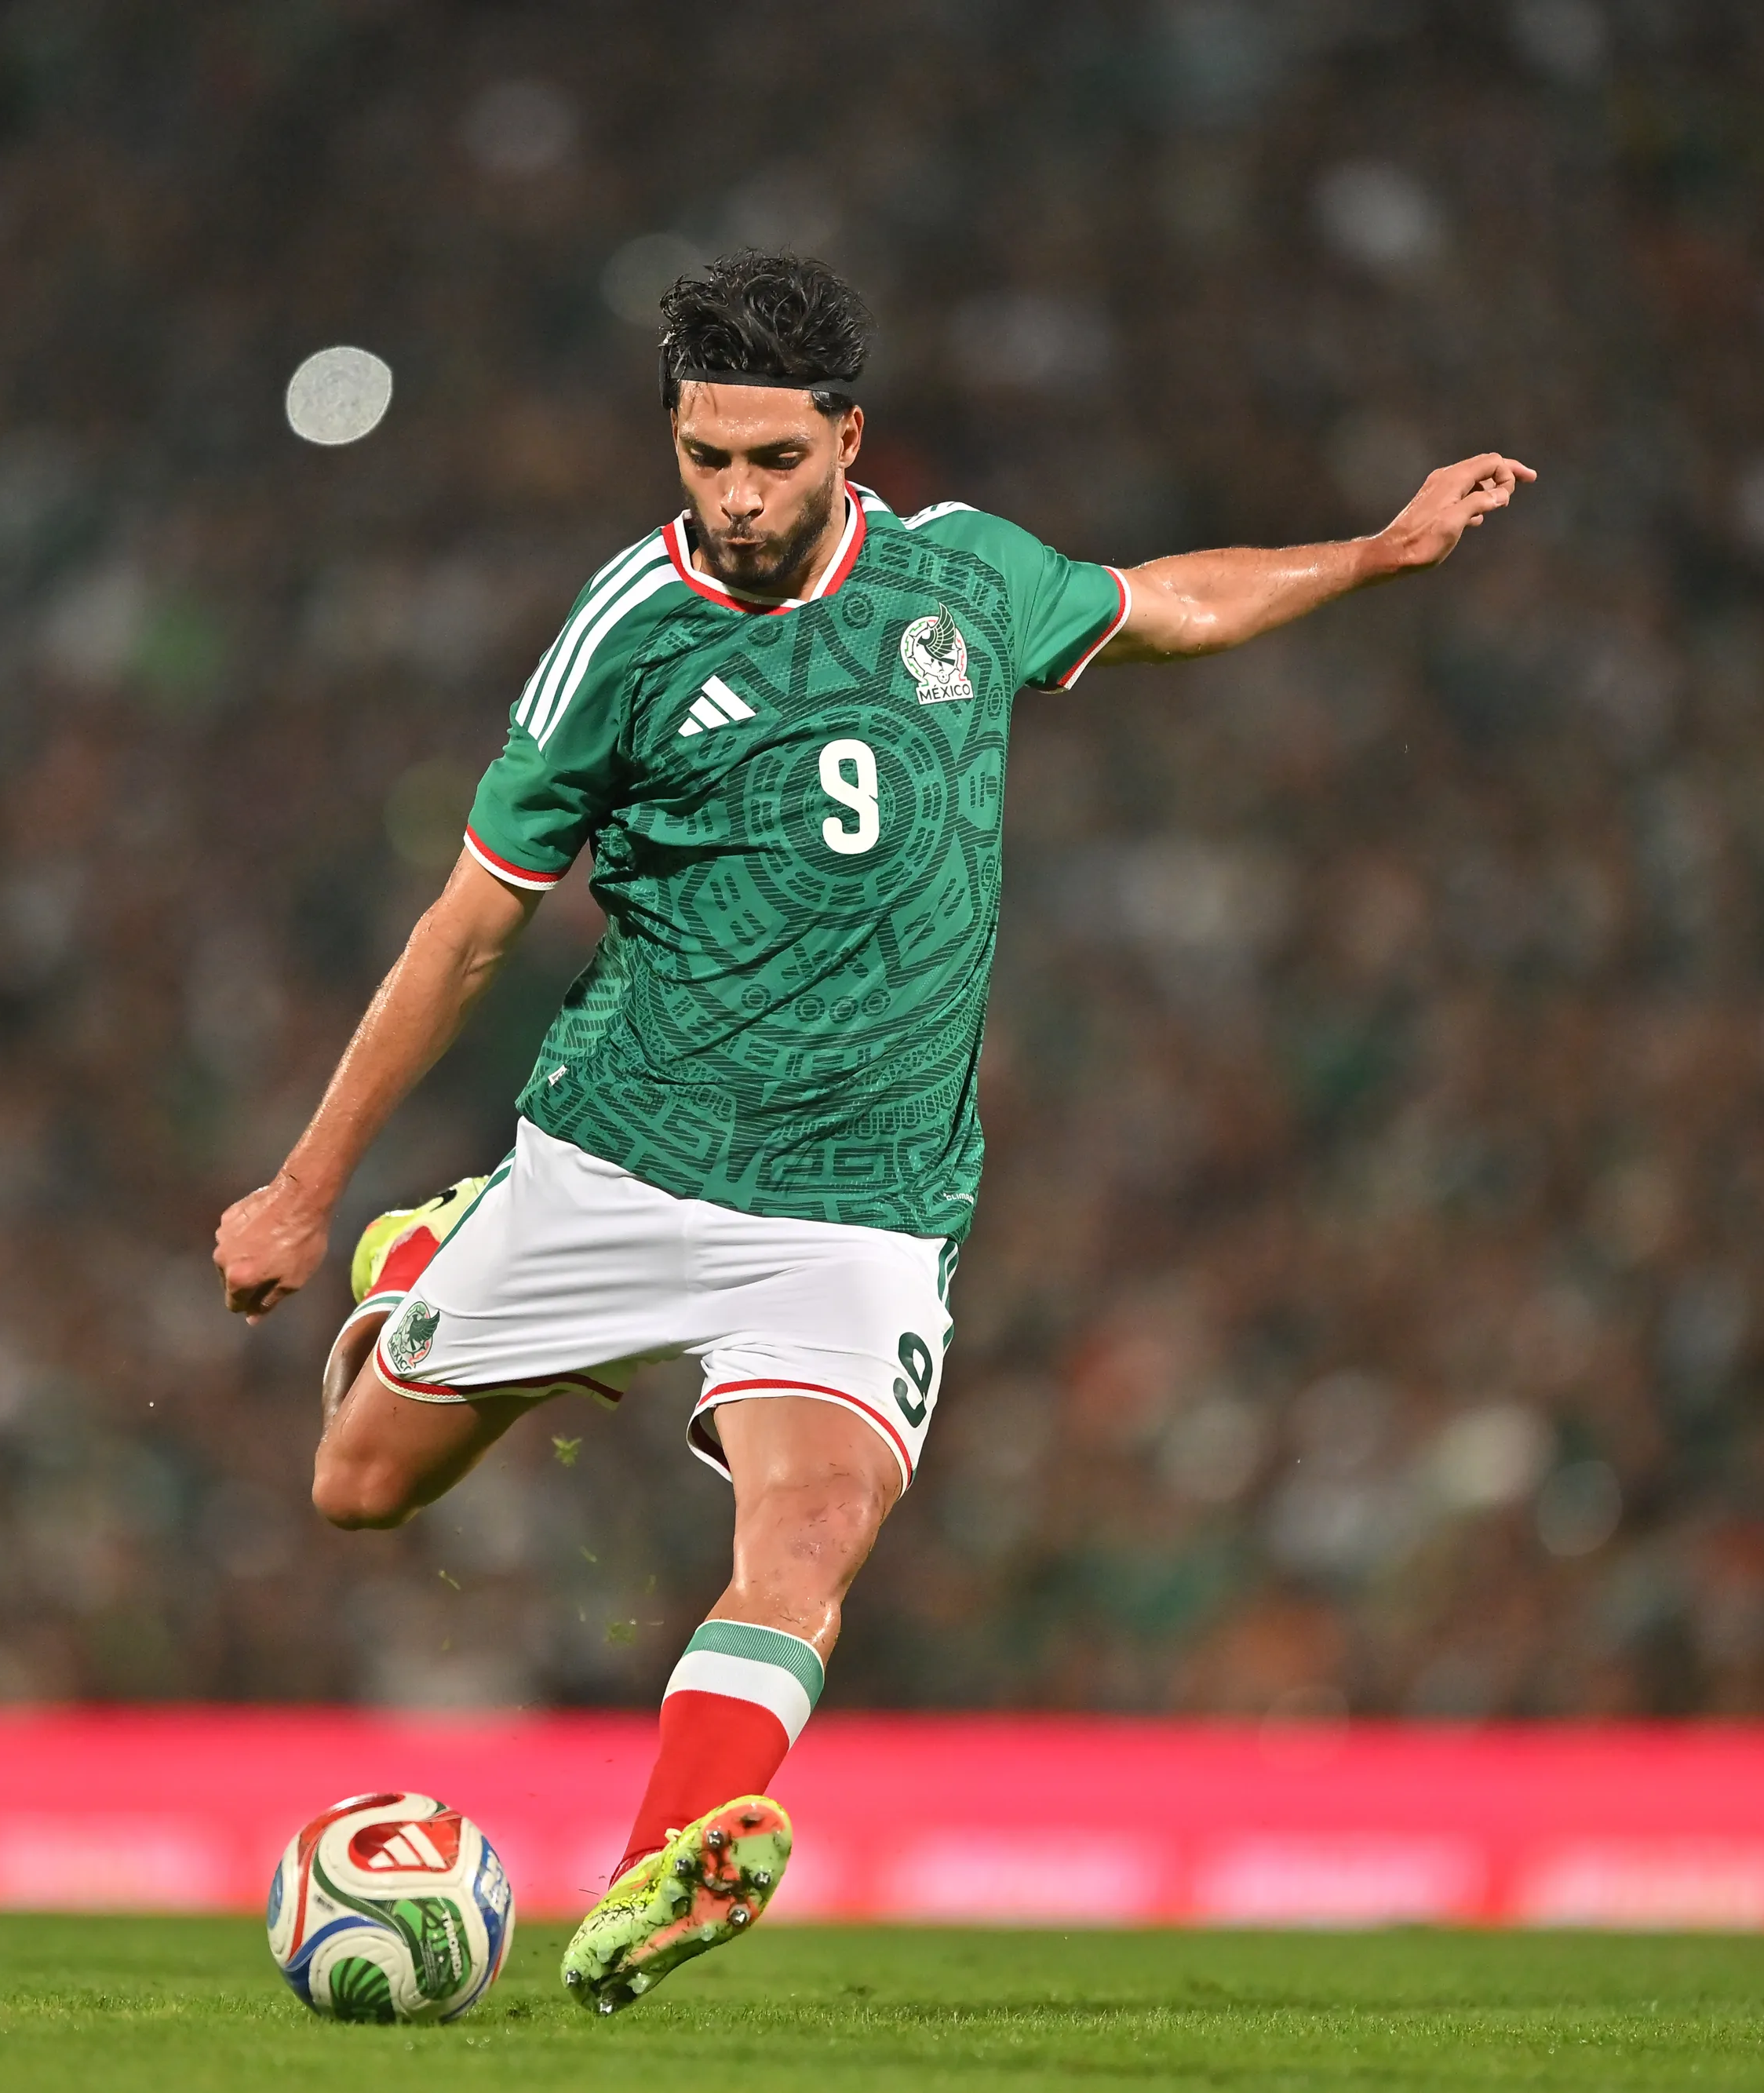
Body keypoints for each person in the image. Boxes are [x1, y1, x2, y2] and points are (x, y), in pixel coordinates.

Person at [215, 251, 1532, 2013]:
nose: (736, 499)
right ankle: (418, 1257)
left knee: (813, 1527)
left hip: (854, 1209)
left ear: (849, 436)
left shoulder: (959, 578)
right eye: (702, 458)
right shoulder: (622, 633)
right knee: (356, 1487)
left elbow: (1166, 604)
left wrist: (1368, 554)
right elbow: (467, 925)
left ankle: (651, 1881)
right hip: (615, 1156)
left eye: (771, 458)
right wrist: (309, 1191)